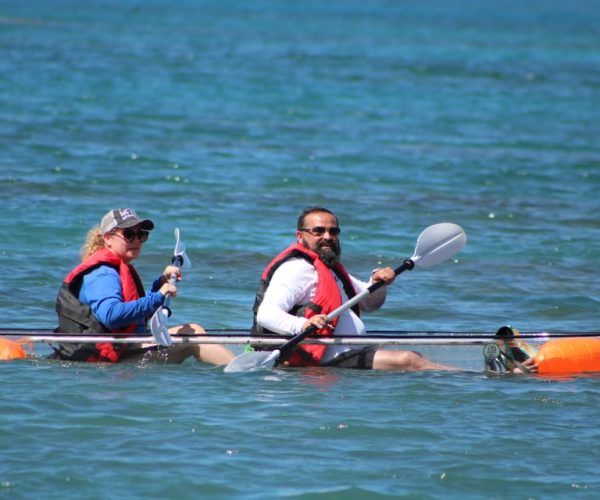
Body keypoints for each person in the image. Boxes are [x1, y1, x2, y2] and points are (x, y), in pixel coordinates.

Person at [252, 206, 457, 371]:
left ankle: (470, 375)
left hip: (344, 352)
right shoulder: (296, 269)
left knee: (414, 358)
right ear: (300, 236)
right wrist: (303, 325)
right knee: (408, 359)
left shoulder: (329, 270)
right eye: (318, 231)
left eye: (333, 231)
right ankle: (471, 378)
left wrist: (378, 283)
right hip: (316, 357)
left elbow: (370, 302)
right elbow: (266, 314)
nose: (327, 236)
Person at [53, 208, 234, 365]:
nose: (137, 240)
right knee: (193, 334)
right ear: (107, 238)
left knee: (191, 331)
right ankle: (242, 371)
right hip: (108, 359)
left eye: (141, 234)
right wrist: (157, 297)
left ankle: (237, 366)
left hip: (122, 349)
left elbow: (135, 316)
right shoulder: (103, 273)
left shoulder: (117, 267)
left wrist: (159, 286)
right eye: (129, 235)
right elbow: (111, 315)